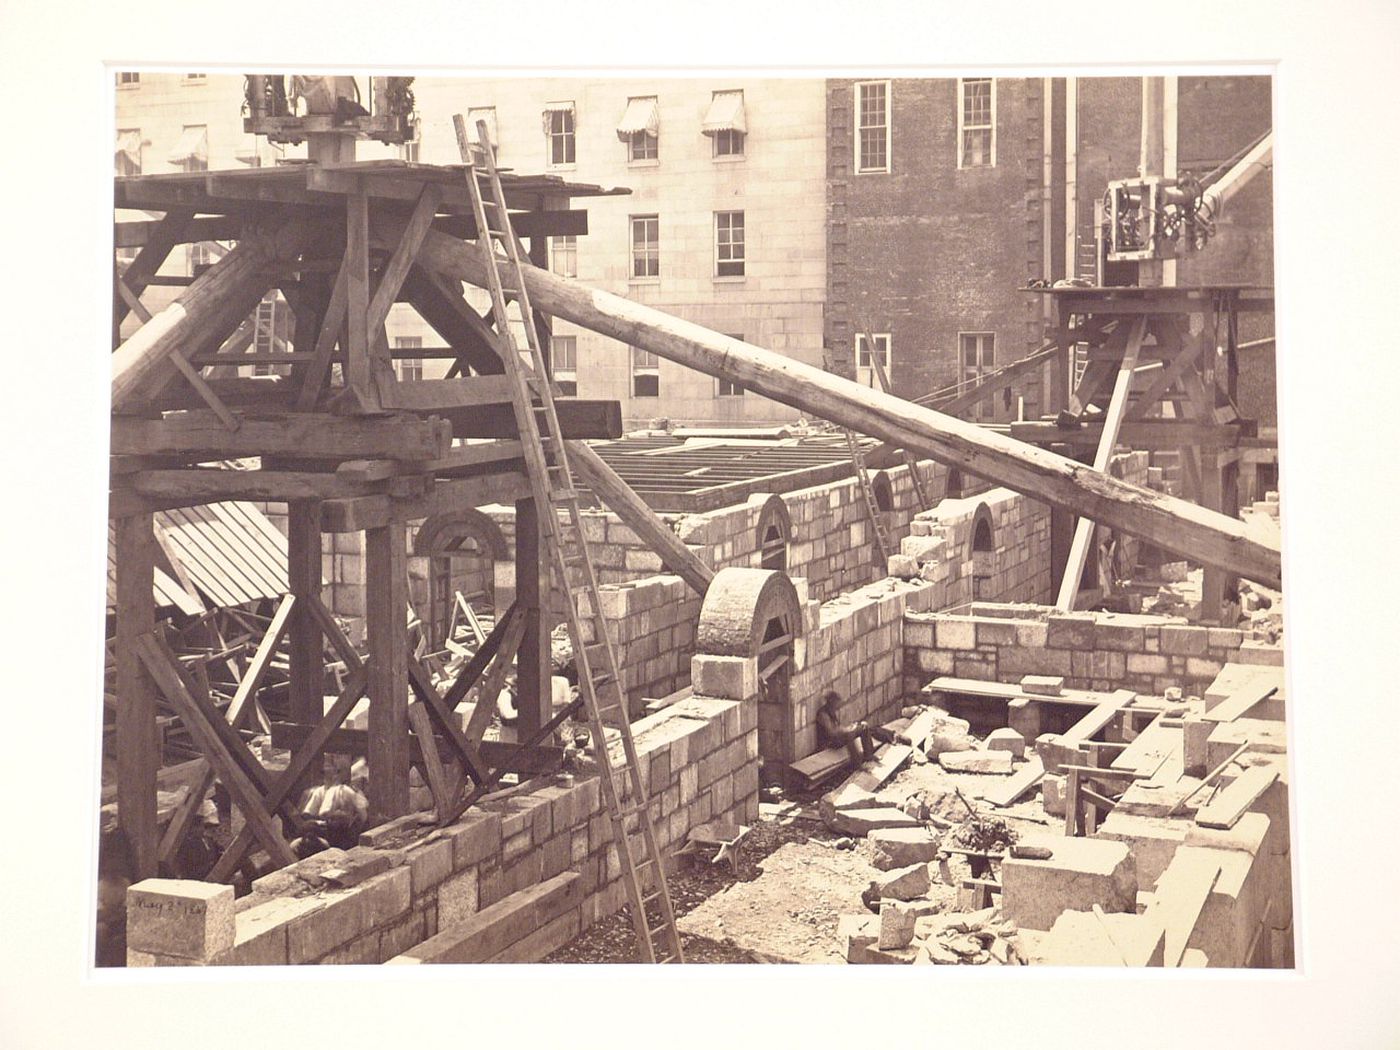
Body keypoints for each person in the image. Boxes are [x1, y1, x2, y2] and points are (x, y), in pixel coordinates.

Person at [295, 753, 369, 854]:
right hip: (327, 831)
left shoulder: (347, 791)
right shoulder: (318, 792)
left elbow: (362, 816)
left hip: (343, 834)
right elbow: (310, 815)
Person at [815, 691, 877, 768]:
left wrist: (851, 727)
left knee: (863, 726)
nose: (838, 705)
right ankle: (857, 764)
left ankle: (869, 756)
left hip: (837, 737)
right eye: (837, 702)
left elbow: (837, 727)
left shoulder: (832, 710)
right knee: (849, 735)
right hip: (829, 743)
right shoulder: (823, 714)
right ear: (831, 701)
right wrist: (845, 730)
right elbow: (831, 732)